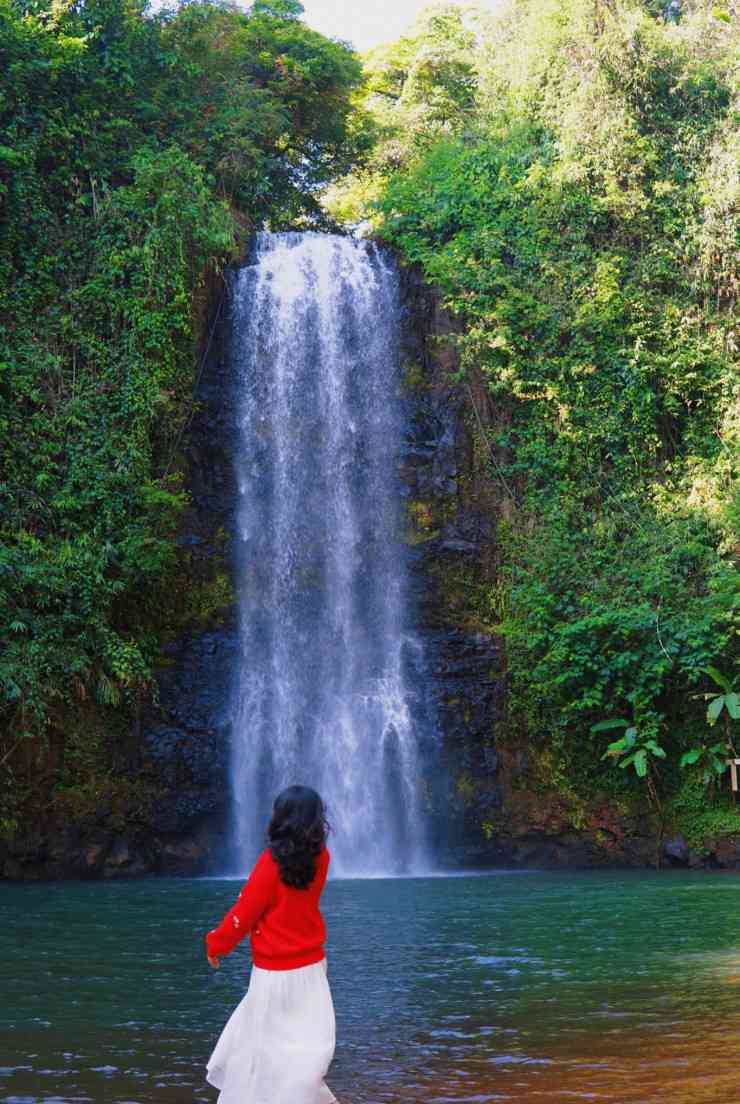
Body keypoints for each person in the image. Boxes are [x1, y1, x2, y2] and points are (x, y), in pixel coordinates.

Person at [204, 785, 337, 1104]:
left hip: (274, 974)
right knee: (303, 1047)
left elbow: (244, 913)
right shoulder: (322, 857)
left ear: (280, 818)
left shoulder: (271, 863)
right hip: (312, 969)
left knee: (262, 1049)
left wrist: (216, 944)